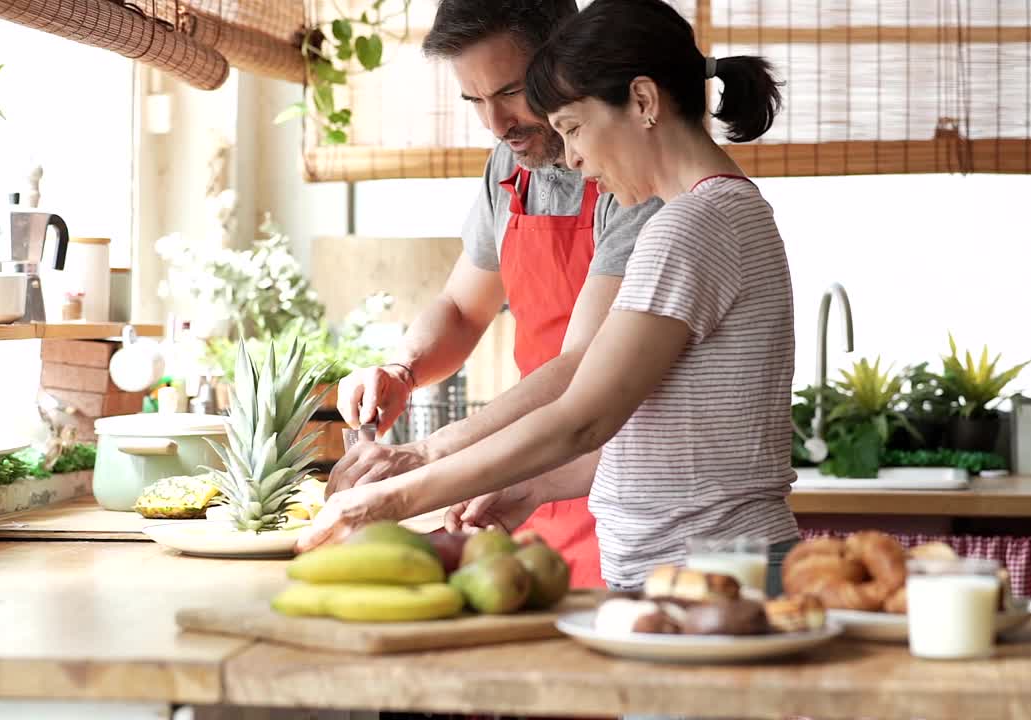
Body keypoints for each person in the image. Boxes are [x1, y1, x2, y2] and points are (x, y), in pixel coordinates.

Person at [299, 0, 800, 595]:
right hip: (701, 564)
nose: (577, 161)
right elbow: (660, 430)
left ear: (642, 102)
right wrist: (531, 487)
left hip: (706, 570)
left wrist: (397, 491)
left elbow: (583, 414)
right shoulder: (726, 210)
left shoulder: (686, 225)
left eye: (575, 129)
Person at [319, 0, 662, 588]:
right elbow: (460, 308)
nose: (495, 124)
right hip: (528, 489)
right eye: (474, 101)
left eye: (509, 92)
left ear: (564, 57)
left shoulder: (628, 177)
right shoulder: (508, 167)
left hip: (622, 486)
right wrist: (402, 370)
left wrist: (424, 459)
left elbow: (579, 374)